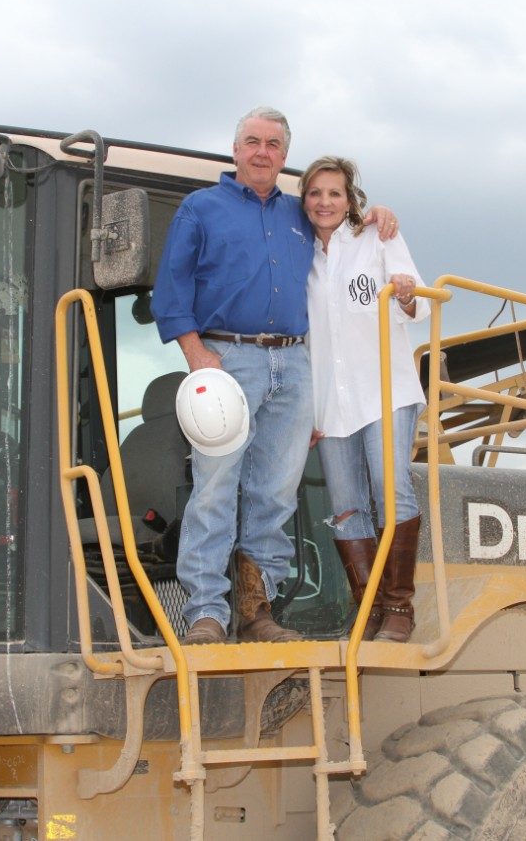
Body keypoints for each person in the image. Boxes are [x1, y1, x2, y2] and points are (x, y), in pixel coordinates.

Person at [152, 108, 398, 645]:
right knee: (215, 488)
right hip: (226, 358)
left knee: (276, 493)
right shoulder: (201, 209)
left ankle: (256, 609)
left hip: (296, 361)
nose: (262, 152)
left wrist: (374, 213)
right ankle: (206, 613)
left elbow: (347, 234)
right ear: (235, 148)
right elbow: (170, 292)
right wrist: (198, 355)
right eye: (252, 141)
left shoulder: (300, 213)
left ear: (284, 157)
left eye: (273, 145)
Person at [302, 156, 428, 643]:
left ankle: (399, 605)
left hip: (384, 389)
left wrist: (403, 292)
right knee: (347, 505)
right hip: (330, 400)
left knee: (389, 487)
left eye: (334, 193)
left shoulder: (378, 236)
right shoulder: (303, 258)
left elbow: (414, 300)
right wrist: (309, 410)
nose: (325, 202)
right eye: (315, 193)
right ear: (305, 201)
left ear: (351, 199)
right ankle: (368, 608)